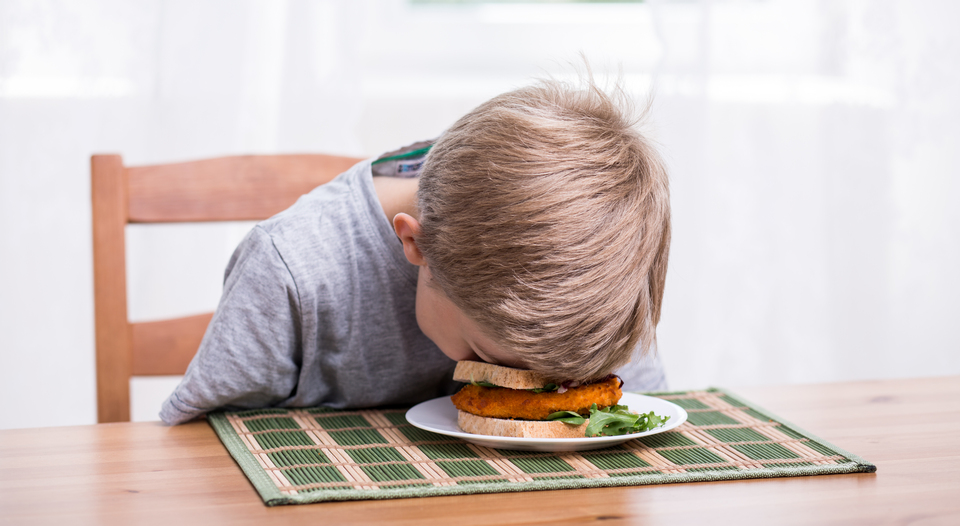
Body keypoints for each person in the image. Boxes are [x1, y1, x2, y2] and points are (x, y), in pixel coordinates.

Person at [159, 76, 671, 425]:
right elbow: (202, 450)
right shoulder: (292, 269)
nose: (532, 386)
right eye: (486, 356)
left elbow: (642, 409)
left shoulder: (604, 257)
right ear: (415, 243)